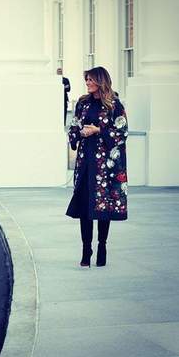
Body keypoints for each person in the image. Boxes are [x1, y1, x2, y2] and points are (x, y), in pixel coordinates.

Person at [66, 66, 128, 267]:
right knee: (85, 208)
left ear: (101, 81)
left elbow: (121, 132)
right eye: (86, 80)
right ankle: (86, 250)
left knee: (102, 208)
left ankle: (102, 247)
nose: (88, 83)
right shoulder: (82, 103)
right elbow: (74, 126)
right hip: (86, 162)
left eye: (91, 79)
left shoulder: (114, 105)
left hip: (105, 167)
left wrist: (98, 130)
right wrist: (78, 134)